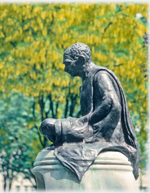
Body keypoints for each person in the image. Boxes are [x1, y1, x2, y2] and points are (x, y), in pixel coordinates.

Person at [39, 43, 139, 181]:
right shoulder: (86, 81)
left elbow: (111, 103)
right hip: (86, 127)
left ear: (80, 60)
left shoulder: (100, 75)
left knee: (48, 125)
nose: (65, 69)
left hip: (94, 131)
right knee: (47, 127)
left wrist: (91, 127)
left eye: (68, 63)